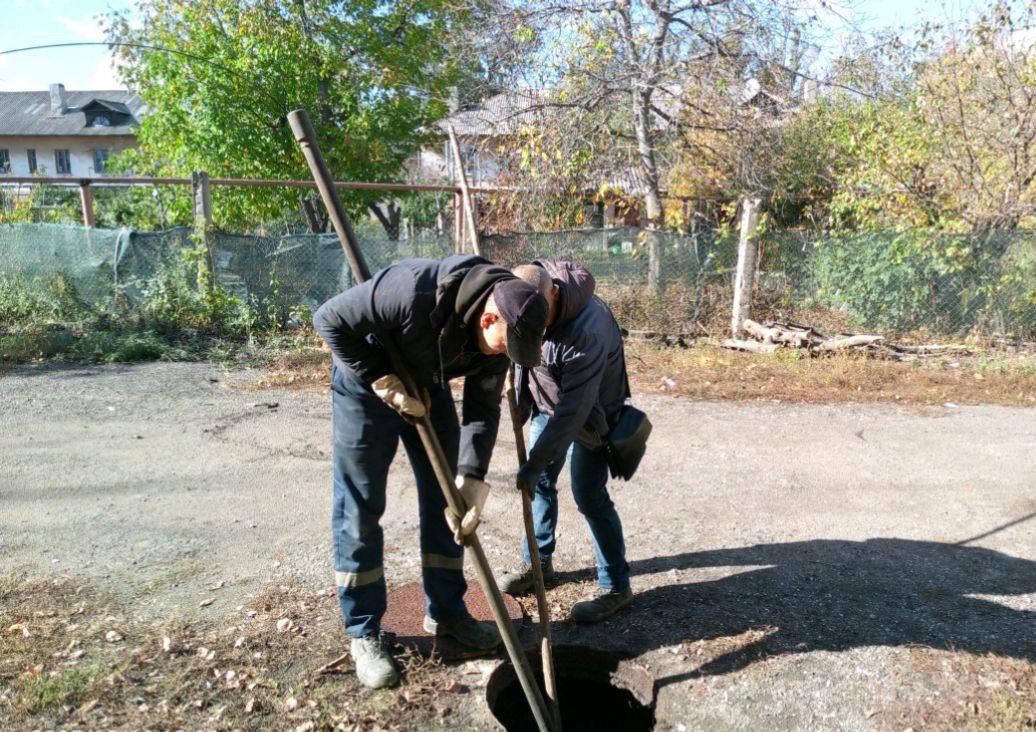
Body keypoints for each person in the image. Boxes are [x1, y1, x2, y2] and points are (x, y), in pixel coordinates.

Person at [313, 254, 548, 689]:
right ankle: (364, 632)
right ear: (487, 318)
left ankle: (446, 612)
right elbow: (327, 318)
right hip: (366, 385)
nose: (505, 355)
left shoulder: (504, 331)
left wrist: (472, 478)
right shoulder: (412, 291)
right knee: (361, 505)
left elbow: (482, 410)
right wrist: (379, 376)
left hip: (425, 381)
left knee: (449, 502)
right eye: (504, 345)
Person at [501, 260, 634, 623]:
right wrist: (522, 401)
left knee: (589, 495)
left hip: (593, 417)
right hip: (549, 406)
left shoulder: (587, 330)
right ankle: (539, 565)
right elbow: (521, 353)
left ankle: (616, 586)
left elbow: (574, 411)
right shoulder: (528, 299)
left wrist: (535, 459)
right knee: (541, 483)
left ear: (555, 294)